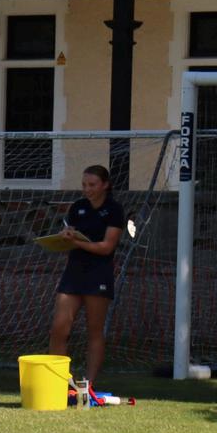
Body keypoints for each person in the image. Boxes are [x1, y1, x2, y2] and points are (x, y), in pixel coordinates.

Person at [48, 164, 128, 396]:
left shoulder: (114, 209)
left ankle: (88, 385)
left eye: (92, 185)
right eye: (84, 185)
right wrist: (65, 237)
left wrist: (77, 243)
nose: (87, 189)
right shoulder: (78, 207)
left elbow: (107, 247)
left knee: (94, 330)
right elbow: (70, 234)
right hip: (74, 272)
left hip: (99, 274)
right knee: (59, 327)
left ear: (105, 185)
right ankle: (61, 382)